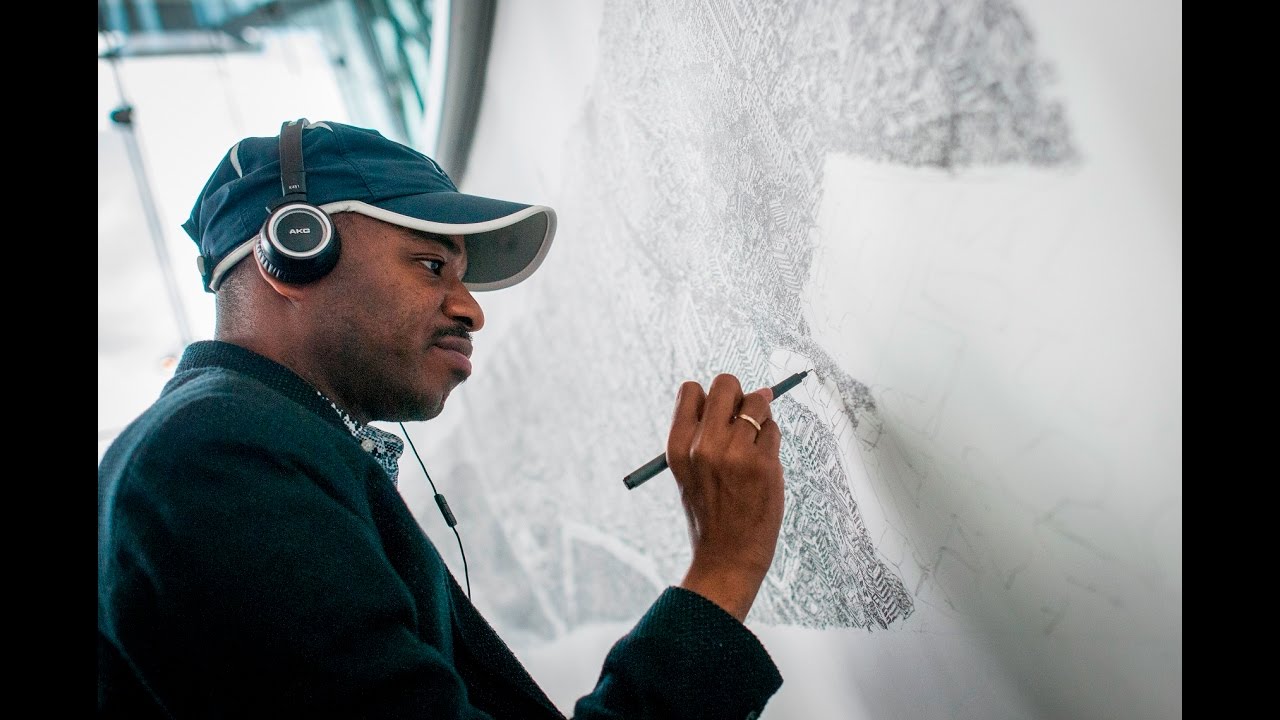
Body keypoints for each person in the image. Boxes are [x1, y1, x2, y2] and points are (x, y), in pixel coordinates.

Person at [98, 119, 786, 718]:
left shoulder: (243, 447)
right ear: (294, 251)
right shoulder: (218, 461)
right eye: (432, 265)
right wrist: (725, 567)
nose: (473, 310)